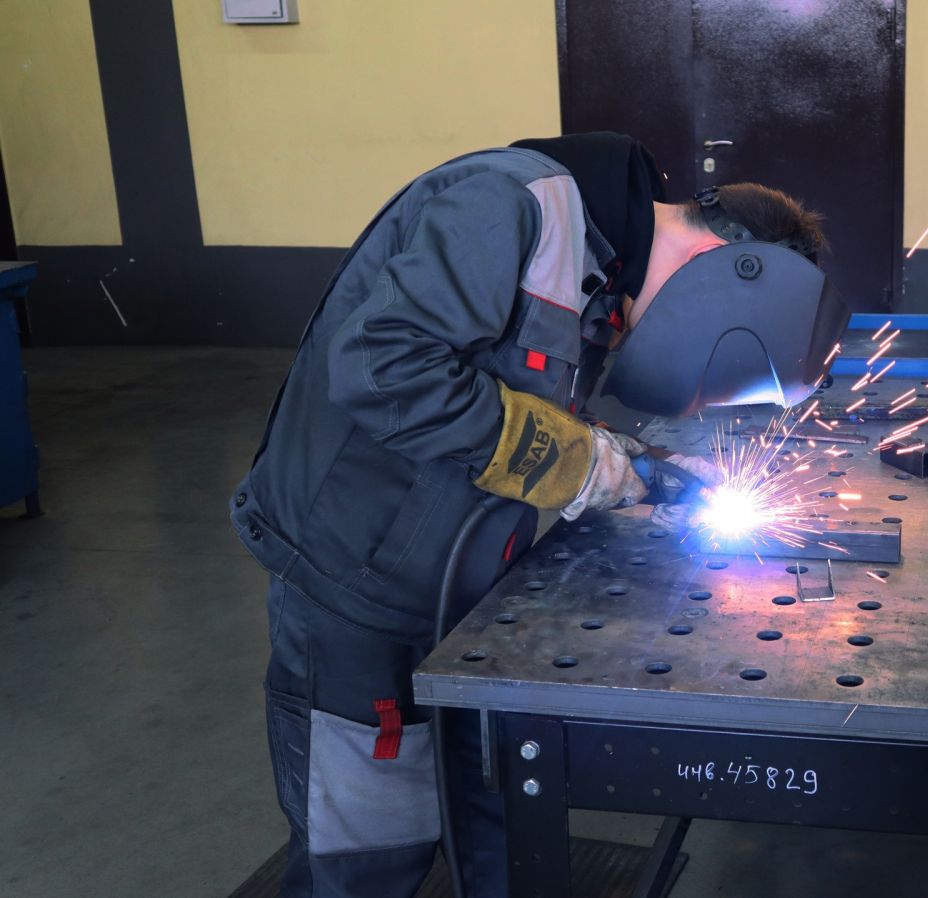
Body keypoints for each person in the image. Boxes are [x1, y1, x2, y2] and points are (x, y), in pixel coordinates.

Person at [229, 132, 834, 897]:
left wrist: (638, 465)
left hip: (458, 589)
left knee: (498, 811)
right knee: (370, 853)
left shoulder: (601, 266)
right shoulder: (511, 203)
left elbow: (523, 401)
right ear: (721, 269)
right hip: (353, 585)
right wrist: (585, 467)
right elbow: (384, 369)